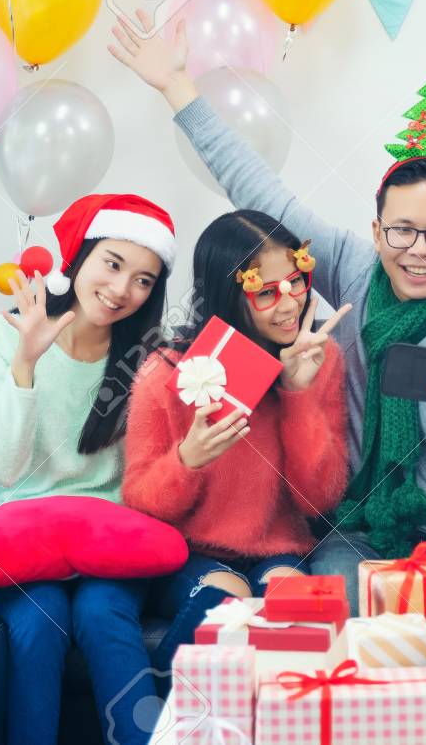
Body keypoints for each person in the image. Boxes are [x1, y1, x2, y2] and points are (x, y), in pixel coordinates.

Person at [107, 10, 426, 609]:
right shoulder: (353, 268)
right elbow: (257, 192)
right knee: (340, 622)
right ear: (378, 233)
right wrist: (179, 88)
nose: (418, 251)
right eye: (403, 231)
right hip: (355, 538)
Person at [0, 193, 177, 745]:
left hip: (110, 538)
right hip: (20, 532)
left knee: (103, 614)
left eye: (143, 280)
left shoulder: (149, 357)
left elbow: (149, 479)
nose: (121, 289)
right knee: (40, 621)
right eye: (112, 264)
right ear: (79, 257)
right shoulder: (4, 334)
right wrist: (25, 366)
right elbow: (0, 467)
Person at [122, 210, 351, 675]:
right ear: (229, 295)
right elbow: (139, 500)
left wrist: (297, 394)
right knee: (229, 597)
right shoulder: (166, 370)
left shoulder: (321, 359)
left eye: (296, 281)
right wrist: (187, 460)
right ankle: (165, 724)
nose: (289, 304)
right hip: (191, 553)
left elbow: (320, 499)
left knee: (290, 596)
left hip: (280, 550)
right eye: (265, 292)